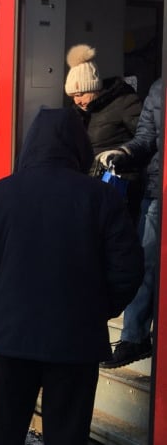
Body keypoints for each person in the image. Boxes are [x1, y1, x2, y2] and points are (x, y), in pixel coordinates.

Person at [0, 108, 143, 445]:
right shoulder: (101, 197)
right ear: (78, 147)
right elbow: (128, 270)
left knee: (7, 433)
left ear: (30, 144)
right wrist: (95, 309)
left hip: (11, 340)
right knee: (67, 436)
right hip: (75, 344)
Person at [96, 77, 163, 368]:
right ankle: (134, 338)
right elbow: (145, 138)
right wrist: (122, 153)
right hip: (158, 190)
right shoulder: (159, 89)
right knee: (145, 262)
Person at [65, 43, 144, 219]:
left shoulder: (124, 101)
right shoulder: (77, 113)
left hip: (121, 184)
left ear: (95, 87)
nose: (77, 101)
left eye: (81, 94)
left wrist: (122, 154)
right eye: (73, 96)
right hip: (91, 186)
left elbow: (145, 138)